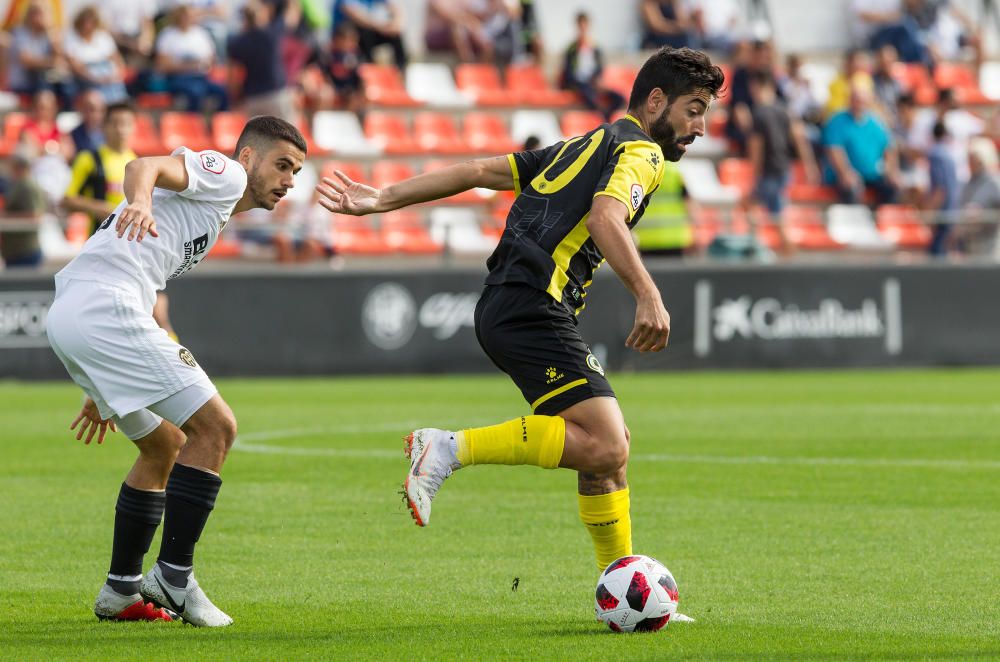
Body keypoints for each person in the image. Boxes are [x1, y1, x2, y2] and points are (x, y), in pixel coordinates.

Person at [315, 47, 724, 571]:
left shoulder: (587, 142)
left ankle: (617, 582)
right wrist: (648, 293)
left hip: (509, 303)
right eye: (694, 109)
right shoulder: (641, 152)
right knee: (606, 444)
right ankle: (447, 448)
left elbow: (479, 170)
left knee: (606, 448)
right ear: (656, 100)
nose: (701, 127)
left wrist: (383, 198)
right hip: (533, 304)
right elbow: (605, 219)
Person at [44, 116, 307, 626]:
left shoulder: (217, 210)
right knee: (216, 427)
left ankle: (121, 590)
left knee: (163, 444)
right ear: (249, 158)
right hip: (104, 308)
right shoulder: (226, 174)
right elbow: (144, 165)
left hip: (79, 314)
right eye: (281, 165)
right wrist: (140, 199)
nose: (289, 180)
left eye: (296, 171)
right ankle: (173, 576)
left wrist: (104, 378)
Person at [63, 102, 137, 233]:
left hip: (129, 240)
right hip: (98, 238)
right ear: (104, 126)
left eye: (126, 124)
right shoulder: (88, 159)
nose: (121, 129)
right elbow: (67, 200)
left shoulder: (137, 162)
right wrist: (99, 208)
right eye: (115, 123)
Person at [823, 82, 900, 205]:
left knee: (892, 188)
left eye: (862, 101)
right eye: (856, 100)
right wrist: (845, 172)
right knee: (851, 188)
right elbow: (834, 150)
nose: (859, 104)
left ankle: (880, 220)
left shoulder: (876, 123)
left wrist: (891, 171)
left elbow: (889, 148)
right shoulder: (837, 121)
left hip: (872, 175)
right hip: (844, 177)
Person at [227, 1, 297, 123]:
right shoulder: (272, 34)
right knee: (288, 137)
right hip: (276, 94)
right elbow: (292, 16)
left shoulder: (237, 42)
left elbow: (232, 78)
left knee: (257, 139)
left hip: (253, 98)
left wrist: (235, 99)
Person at [155, 2, 229, 113]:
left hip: (201, 78)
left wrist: (199, 65)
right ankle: (193, 126)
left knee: (223, 91)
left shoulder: (201, 34)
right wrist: (190, 65)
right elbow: (163, 65)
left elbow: (211, 59)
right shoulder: (167, 35)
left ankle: (217, 123)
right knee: (195, 92)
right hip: (177, 79)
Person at [559, 11, 623, 122]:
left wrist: (595, 80)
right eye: (581, 25)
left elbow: (600, 68)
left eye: (585, 24)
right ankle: (603, 114)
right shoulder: (572, 48)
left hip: (591, 83)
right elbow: (568, 72)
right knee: (587, 91)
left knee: (619, 97)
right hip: (578, 84)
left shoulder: (595, 47)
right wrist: (579, 82)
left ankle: (606, 115)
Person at [63, 5, 128, 103]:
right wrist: (96, 79)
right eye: (84, 22)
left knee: (117, 87)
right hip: (85, 78)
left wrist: (116, 75)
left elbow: (117, 59)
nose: (88, 25)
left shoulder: (103, 37)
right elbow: (75, 66)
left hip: (108, 74)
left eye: (91, 22)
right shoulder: (71, 39)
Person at [0, 147, 47, 268]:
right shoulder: (21, 184)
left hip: (25, 251)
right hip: (18, 251)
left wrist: (5, 216)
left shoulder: (27, 186)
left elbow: (35, 214)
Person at [332, 0, 407, 68]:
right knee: (365, 32)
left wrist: (394, 24)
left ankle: (400, 69)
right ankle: (368, 67)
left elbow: (394, 8)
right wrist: (381, 27)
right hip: (345, 34)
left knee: (395, 35)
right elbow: (354, 14)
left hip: (371, 29)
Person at [925, 121, 960, 256]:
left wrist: (931, 214)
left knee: (937, 256)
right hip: (951, 210)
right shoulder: (948, 154)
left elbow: (940, 188)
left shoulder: (936, 155)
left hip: (942, 213)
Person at [69, 89, 106, 154]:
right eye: (88, 108)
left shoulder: (112, 132)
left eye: (100, 110)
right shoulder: (73, 136)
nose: (95, 114)